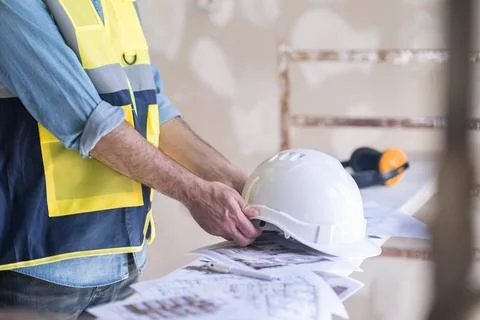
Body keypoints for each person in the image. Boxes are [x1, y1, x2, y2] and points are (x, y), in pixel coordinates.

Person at [0, 0, 261, 319]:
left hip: (124, 259)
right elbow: (86, 120)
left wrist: (234, 179)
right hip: (38, 265)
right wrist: (195, 193)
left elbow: (151, 107)